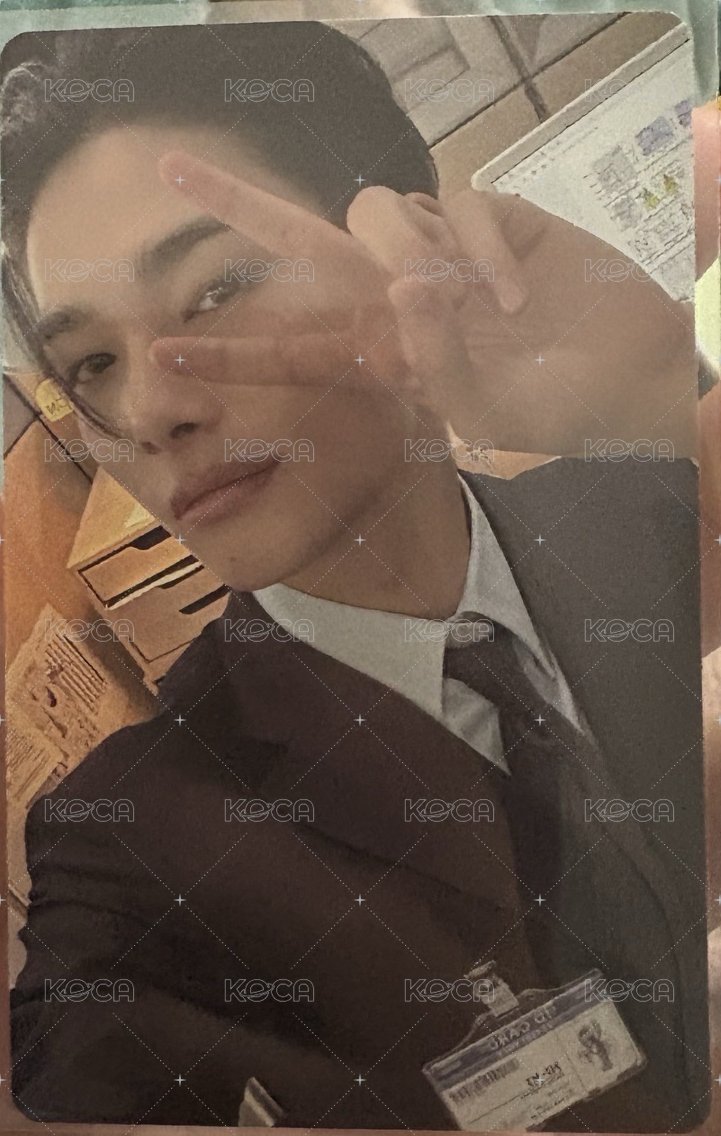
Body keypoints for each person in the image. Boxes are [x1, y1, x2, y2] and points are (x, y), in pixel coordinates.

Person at [1, 20, 717, 1131]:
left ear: (402, 247)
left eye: (218, 287)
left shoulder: (627, 524)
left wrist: (664, 401)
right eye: (92, 362)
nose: (150, 408)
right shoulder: (136, 842)